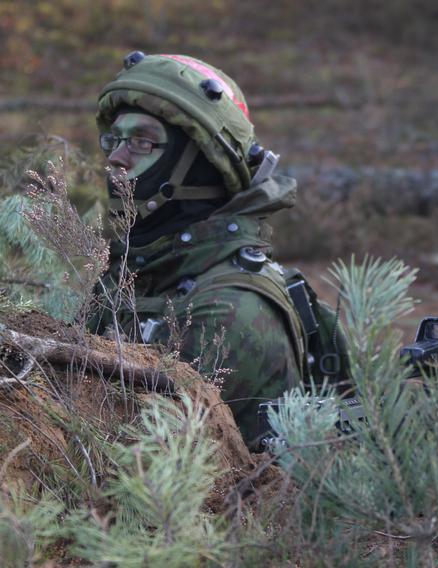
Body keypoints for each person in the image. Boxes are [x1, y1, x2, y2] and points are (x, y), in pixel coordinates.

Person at [88, 52, 343, 444]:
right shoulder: (140, 274)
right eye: (115, 140)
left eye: (142, 142)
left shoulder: (229, 311)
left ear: (199, 164)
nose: (117, 159)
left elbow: (130, 470)